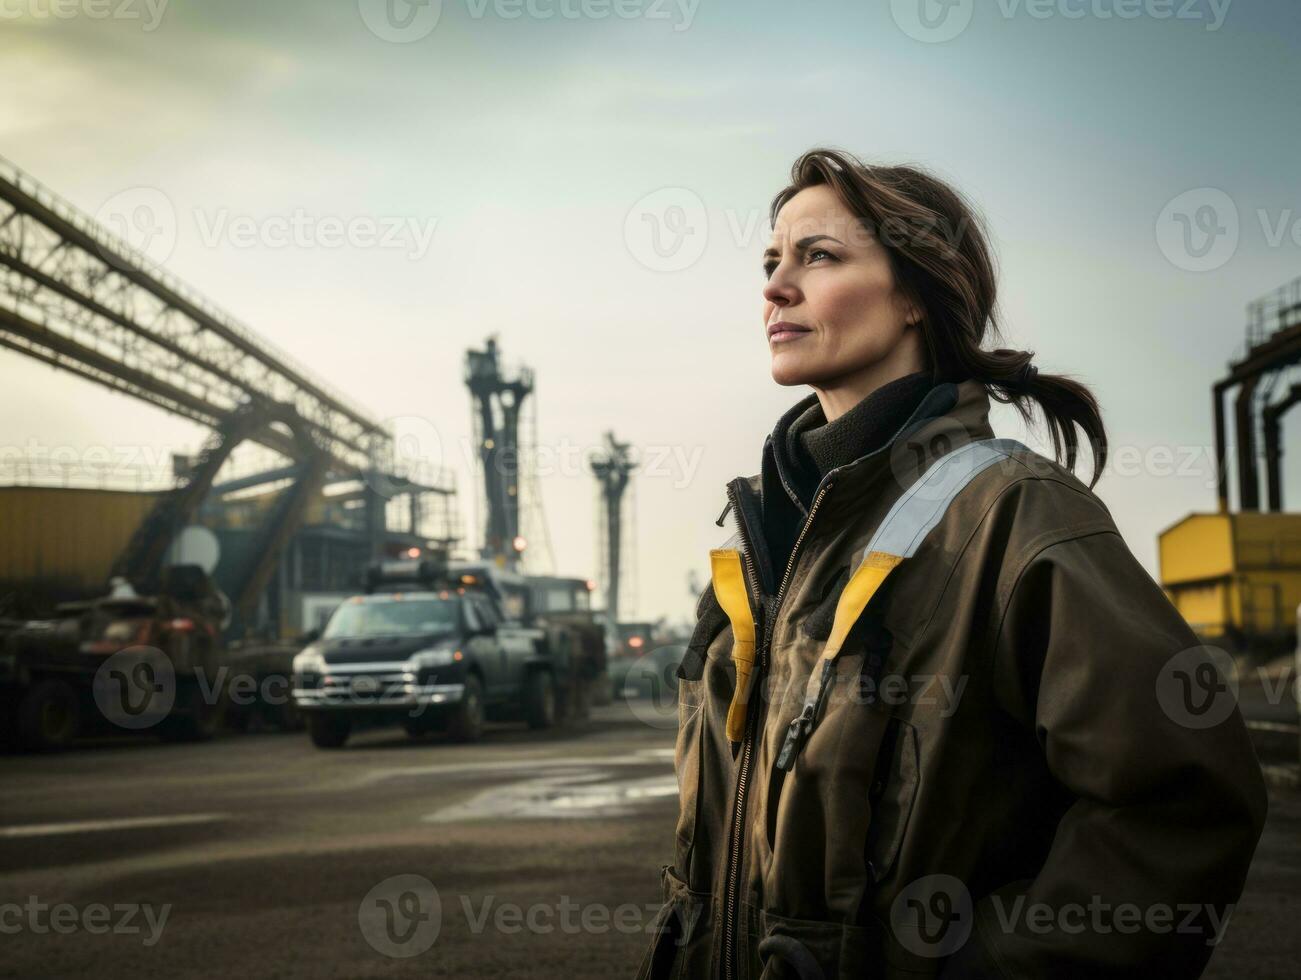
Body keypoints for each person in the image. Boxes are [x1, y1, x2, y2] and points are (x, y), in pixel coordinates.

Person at [636, 148, 1267, 980]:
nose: (775, 286)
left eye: (818, 256)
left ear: (914, 297)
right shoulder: (753, 534)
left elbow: (1181, 801)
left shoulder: (1013, 515)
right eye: (770, 260)